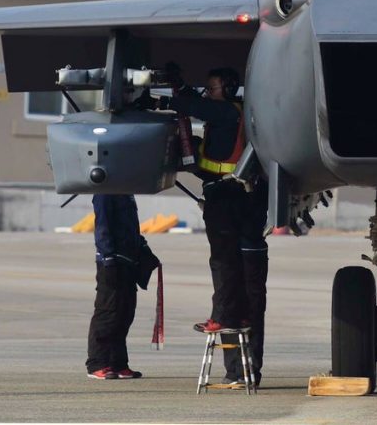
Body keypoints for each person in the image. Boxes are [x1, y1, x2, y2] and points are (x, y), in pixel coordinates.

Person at [169, 67, 268, 388]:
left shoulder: (227, 112)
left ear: (227, 89)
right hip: (236, 203)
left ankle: (225, 321)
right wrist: (181, 87)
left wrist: (167, 96)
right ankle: (240, 371)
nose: (208, 94)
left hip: (228, 202)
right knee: (244, 287)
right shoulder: (230, 116)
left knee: (225, 267)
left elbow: (196, 107)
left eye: (212, 88)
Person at [86, 193, 155, 380]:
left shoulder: (127, 194)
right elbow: (102, 227)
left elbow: (130, 228)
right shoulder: (105, 193)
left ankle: (118, 363)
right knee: (108, 312)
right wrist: (108, 258)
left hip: (128, 261)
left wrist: (142, 247)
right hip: (112, 261)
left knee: (125, 313)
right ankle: (97, 364)